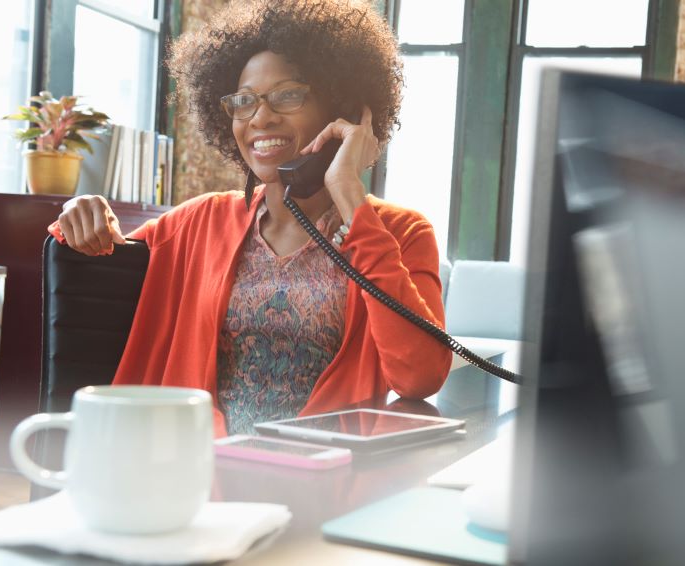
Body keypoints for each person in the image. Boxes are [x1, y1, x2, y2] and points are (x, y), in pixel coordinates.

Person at [49, 0, 452, 437]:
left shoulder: (401, 233)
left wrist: (351, 198)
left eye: (287, 95)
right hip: (194, 477)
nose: (260, 117)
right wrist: (79, 210)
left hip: (326, 480)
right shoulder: (198, 223)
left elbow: (421, 377)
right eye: (244, 101)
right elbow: (99, 247)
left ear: (343, 110)